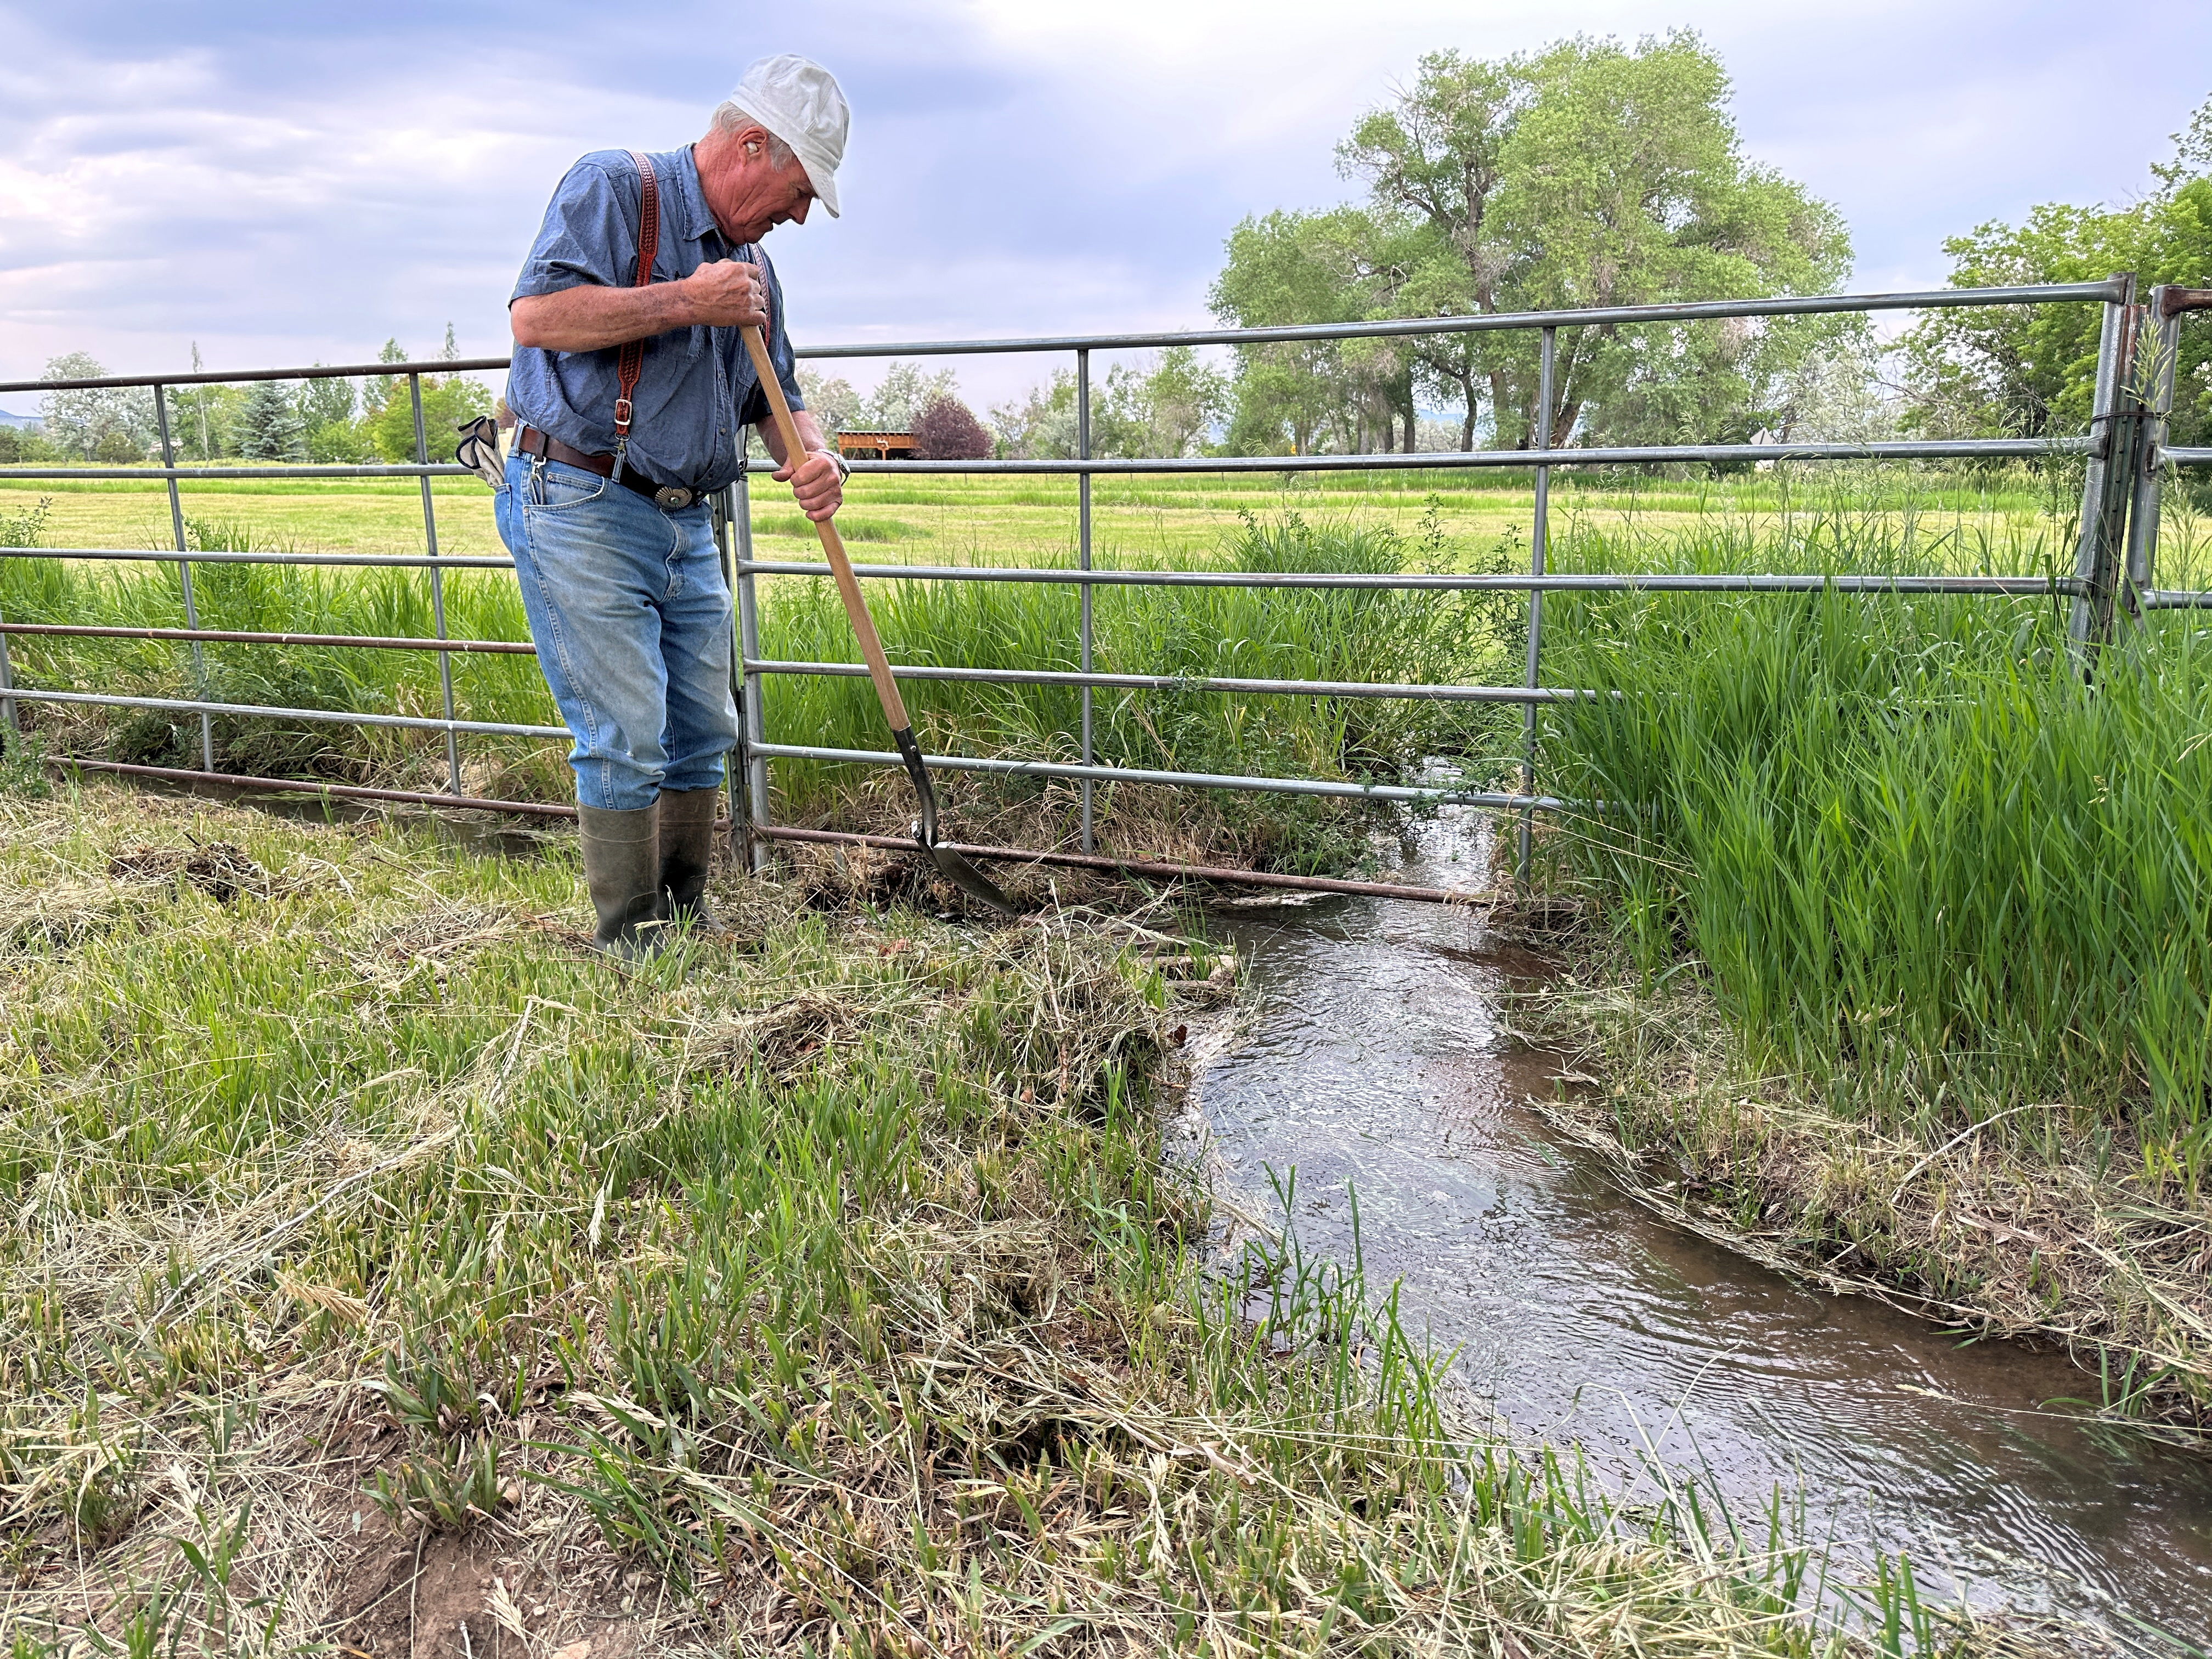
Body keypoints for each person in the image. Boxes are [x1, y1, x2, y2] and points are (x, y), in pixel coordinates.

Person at [494, 55, 850, 956]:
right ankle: (631, 951)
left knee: (702, 729)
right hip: (583, 494)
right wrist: (688, 300)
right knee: (626, 733)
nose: (801, 214)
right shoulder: (616, 188)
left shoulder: (756, 267)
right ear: (751, 145)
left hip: (688, 519)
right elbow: (538, 318)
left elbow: (779, 400)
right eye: (799, 189)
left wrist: (816, 459)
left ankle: (682, 926)